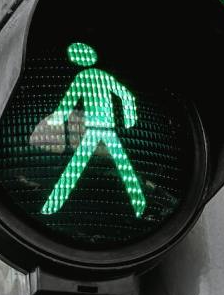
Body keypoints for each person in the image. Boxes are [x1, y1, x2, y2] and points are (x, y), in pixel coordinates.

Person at [41, 42, 146, 218]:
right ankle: (139, 204)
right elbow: (126, 95)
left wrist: (56, 120)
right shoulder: (105, 76)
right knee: (124, 167)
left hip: (94, 129)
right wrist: (129, 119)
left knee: (75, 166)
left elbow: (69, 101)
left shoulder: (83, 77)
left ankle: (52, 205)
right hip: (107, 128)